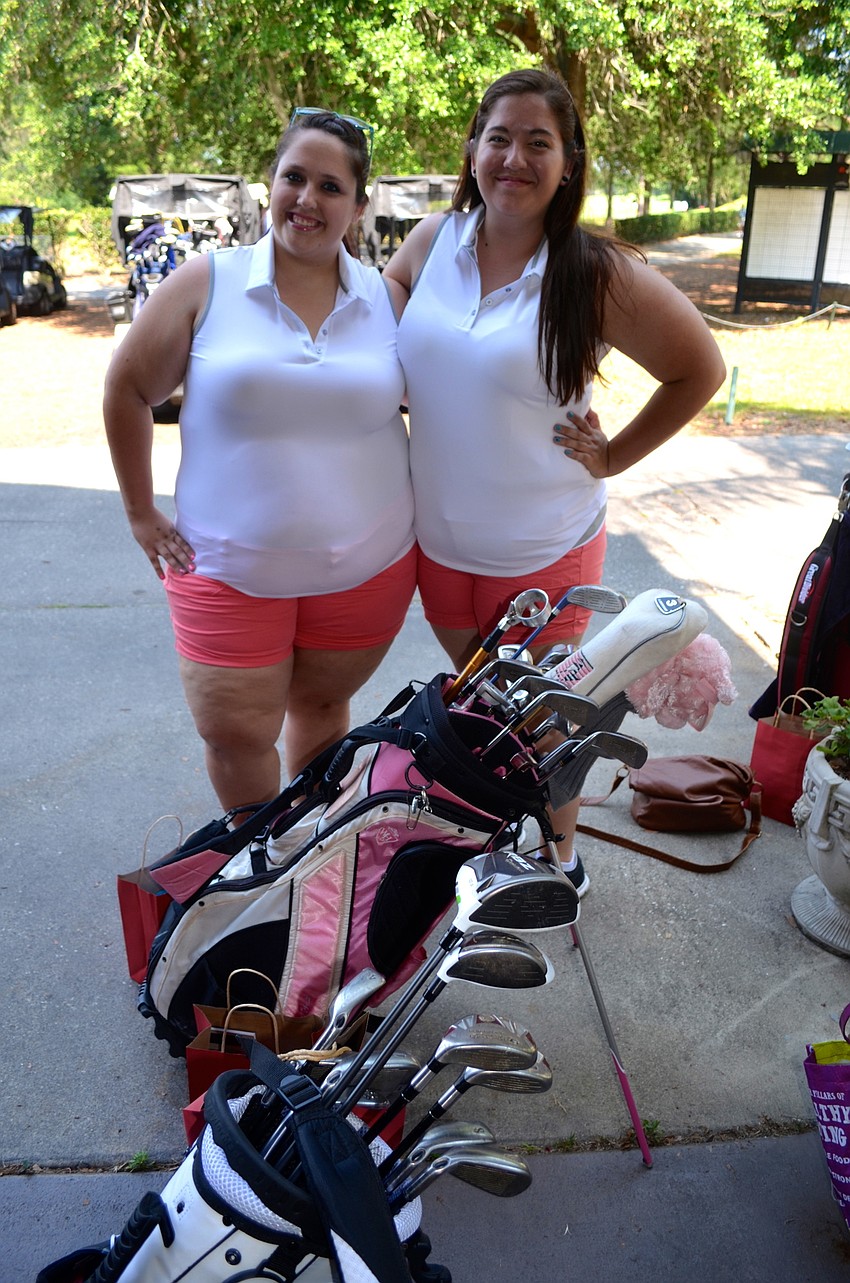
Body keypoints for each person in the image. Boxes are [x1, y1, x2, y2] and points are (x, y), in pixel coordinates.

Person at [384, 68, 726, 894]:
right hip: (440, 546)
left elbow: (699, 367)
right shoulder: (432, 244)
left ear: (569, 163)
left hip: (544, 553)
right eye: (499, 137)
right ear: (471, 150)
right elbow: (385, 311)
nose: (515, 157)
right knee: (485, 723)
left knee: (542, 726)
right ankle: (496, 836)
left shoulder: (590, 271)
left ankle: (560, 862)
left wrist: (614, 456)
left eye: (540, 142)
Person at [104, 110, 416, 811]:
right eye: (293, 178)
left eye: (331, 186)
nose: (307, 199)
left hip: (367, 568)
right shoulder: (203, 283)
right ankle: (255, 873)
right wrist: (139, 511)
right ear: (268, 185)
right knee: (237, 736)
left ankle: (306, 864)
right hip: (225, 571)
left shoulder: (388, 300)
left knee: (325, 709)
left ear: (359, 207)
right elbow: (127, 388)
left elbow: (460, 387)